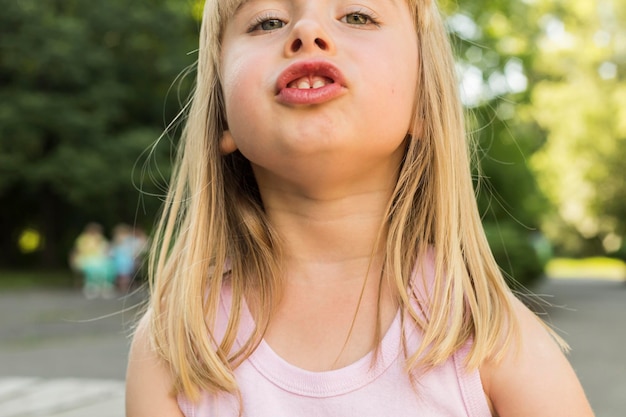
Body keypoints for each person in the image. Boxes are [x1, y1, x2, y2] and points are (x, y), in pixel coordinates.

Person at [126, 1, 594, 416]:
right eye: (267, 20)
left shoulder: (490, 337)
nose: (307, 31)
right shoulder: (174, 346)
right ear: (222, 115)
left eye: (356, 16)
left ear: (422, 106)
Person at [70, 222, 115, 299]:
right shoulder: (83, 239)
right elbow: (78, 251)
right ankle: (91, 286)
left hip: (99, 259)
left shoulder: (101, 239)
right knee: (92, 268)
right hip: (86, 259)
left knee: (108, 267)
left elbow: (106, 250)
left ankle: (105, 286)